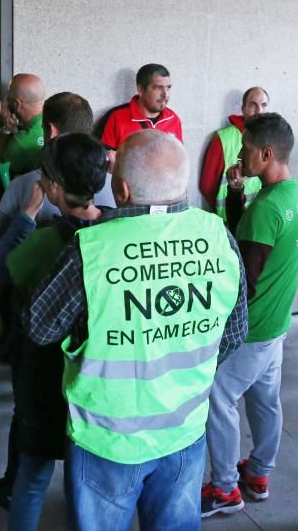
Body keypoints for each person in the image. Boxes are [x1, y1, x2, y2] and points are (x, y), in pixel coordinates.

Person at [27, 130, 248, 530]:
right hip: (184, 433)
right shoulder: (219, 237)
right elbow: (234, 333)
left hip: (106, 442)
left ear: (122, 188)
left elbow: (39, 327)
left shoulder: (90, 250)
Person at [0, 92, 115, 510]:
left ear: (53, 185)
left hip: (39, 363)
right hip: (94, 368)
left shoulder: (41, 234)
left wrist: (26, 216)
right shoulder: (115, 224)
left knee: (32, 469)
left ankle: (13, 491)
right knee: (82, 471)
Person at [203, 113, 298, 517]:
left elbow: (244, 278)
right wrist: (236, 194)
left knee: (218, 397)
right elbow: (252, 238)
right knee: (265, 400)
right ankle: (260, 474)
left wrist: (217, 328)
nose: (240, 154)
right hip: (278, 324)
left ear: (266, 154)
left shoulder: (267, 208)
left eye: (246, 149)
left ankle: (225, 489)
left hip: (252, 330)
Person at [198, 86, 269, 218]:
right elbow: (207, 186)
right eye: (253, 105)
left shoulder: (270, 139)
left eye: (263, 105)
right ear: (243, 108)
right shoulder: (223, 138)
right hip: (229, 220)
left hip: (260, 218)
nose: (259, 111)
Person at [99, 63, 183, 150]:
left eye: (168, 88)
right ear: (141, 90)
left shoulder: (173, 119)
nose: (165, 95)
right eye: (158, 88)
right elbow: (106, 159)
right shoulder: (116, 118)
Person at [0, 73, 46, 179]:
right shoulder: (57, 120)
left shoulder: (21, 142)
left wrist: (5, 130)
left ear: (16, 104)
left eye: (8, 99)